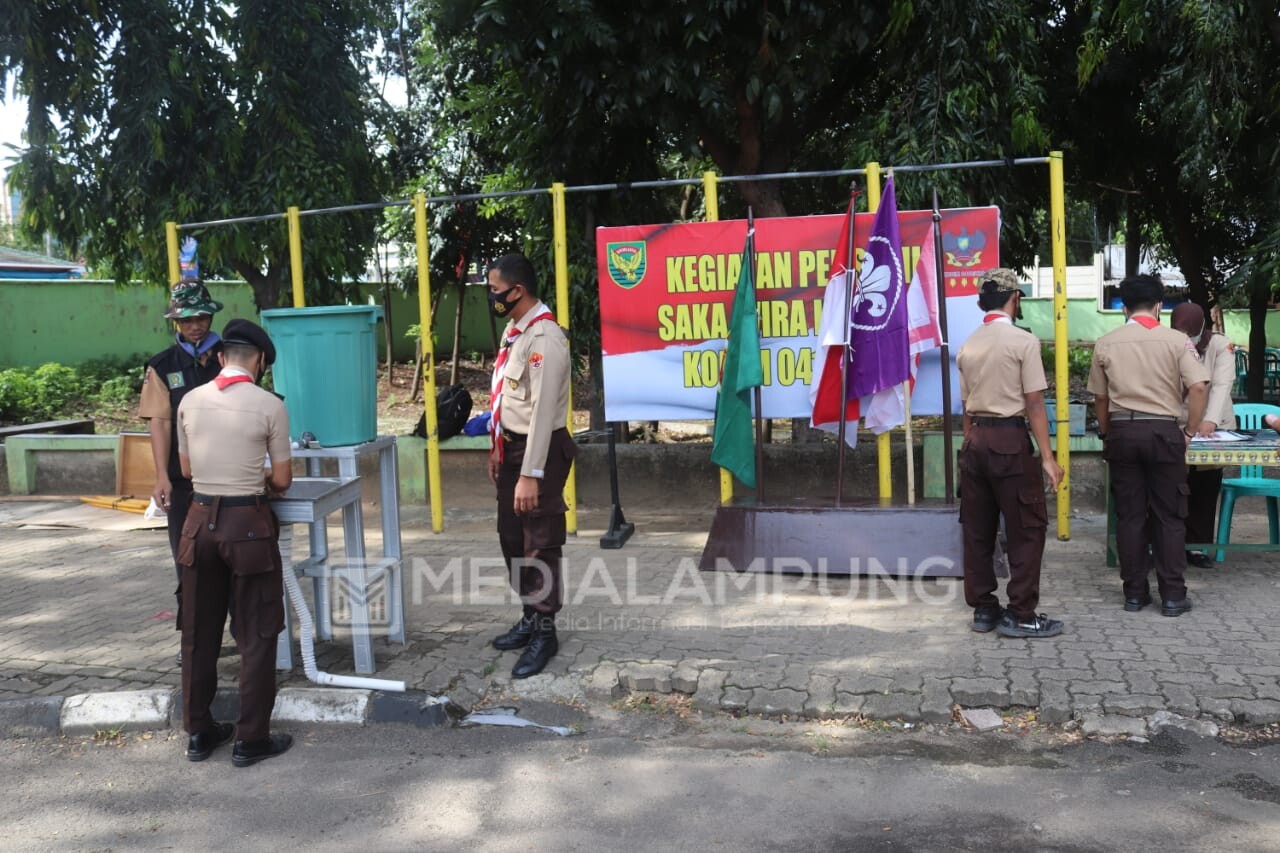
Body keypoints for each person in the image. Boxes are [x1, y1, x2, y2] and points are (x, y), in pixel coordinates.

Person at [176, 319, 294, 766]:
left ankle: (199, 733)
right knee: (257, 633)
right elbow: (282, 479)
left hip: (198, 522)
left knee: (197, 631)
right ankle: (250, 739)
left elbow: (187, 471)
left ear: (222, 357)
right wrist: (257, 473)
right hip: (247, 527)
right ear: (260, 361)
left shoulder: (190, 400)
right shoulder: (270, 406)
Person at [1089, 275, 1209, 617]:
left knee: (1129, 516)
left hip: (1123, 433)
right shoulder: (1177, 341)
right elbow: (1198, 387)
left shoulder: (1106, 342)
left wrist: (1110, 431)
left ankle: (1134, 595)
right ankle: (1172, 596)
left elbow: (1100, 398)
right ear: (1159, 305)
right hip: (1164, 433)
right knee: (1169, 516)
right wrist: (1190, 430)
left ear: (1123, 308)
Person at [956, 269, 1065, 639]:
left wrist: (971, 446)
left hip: (976, 443)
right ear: (1014, 298)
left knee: (978, 530)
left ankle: (984, 610)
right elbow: (1034, 403)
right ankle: (1021, 614)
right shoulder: (1023, 342)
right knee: (1027, 528)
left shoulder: (968, 345)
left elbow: (967, 409)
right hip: (1009, 442)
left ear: (979, 302)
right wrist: (1048, 459)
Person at [485, 253, 577, 678]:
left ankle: (545, 632)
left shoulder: (546, 338)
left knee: (538, 540)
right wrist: (496, 448)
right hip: (512, 449)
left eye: (496, 291)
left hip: (538, 453)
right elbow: (506, 398)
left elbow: (542, 414)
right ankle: (528, 617)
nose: (492, 297)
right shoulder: (515, 332)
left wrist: (529, 474)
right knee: (511, 537)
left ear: (517, 292)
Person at [138, 278, 225, 664]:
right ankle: (192, 641)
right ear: (176, 321)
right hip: (184, 483)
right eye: (187, 319)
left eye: (202, 317)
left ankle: (247, 635)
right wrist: (160, 476)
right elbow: (159, 422)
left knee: (237, 559)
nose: (196, 326)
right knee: (188, 562)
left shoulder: (230, 356)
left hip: (230, 478)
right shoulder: (162, 366)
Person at [1170, 302, 1235, 568]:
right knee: (1171, 486)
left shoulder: (1221, 345)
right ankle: (1169, 545)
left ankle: (1197, 546)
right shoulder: (1167, 341)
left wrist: (1209, 421)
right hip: (1178, 422)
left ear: (1201, 330)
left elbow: (1222, 384)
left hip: (1214, 422)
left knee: (1205, 486)